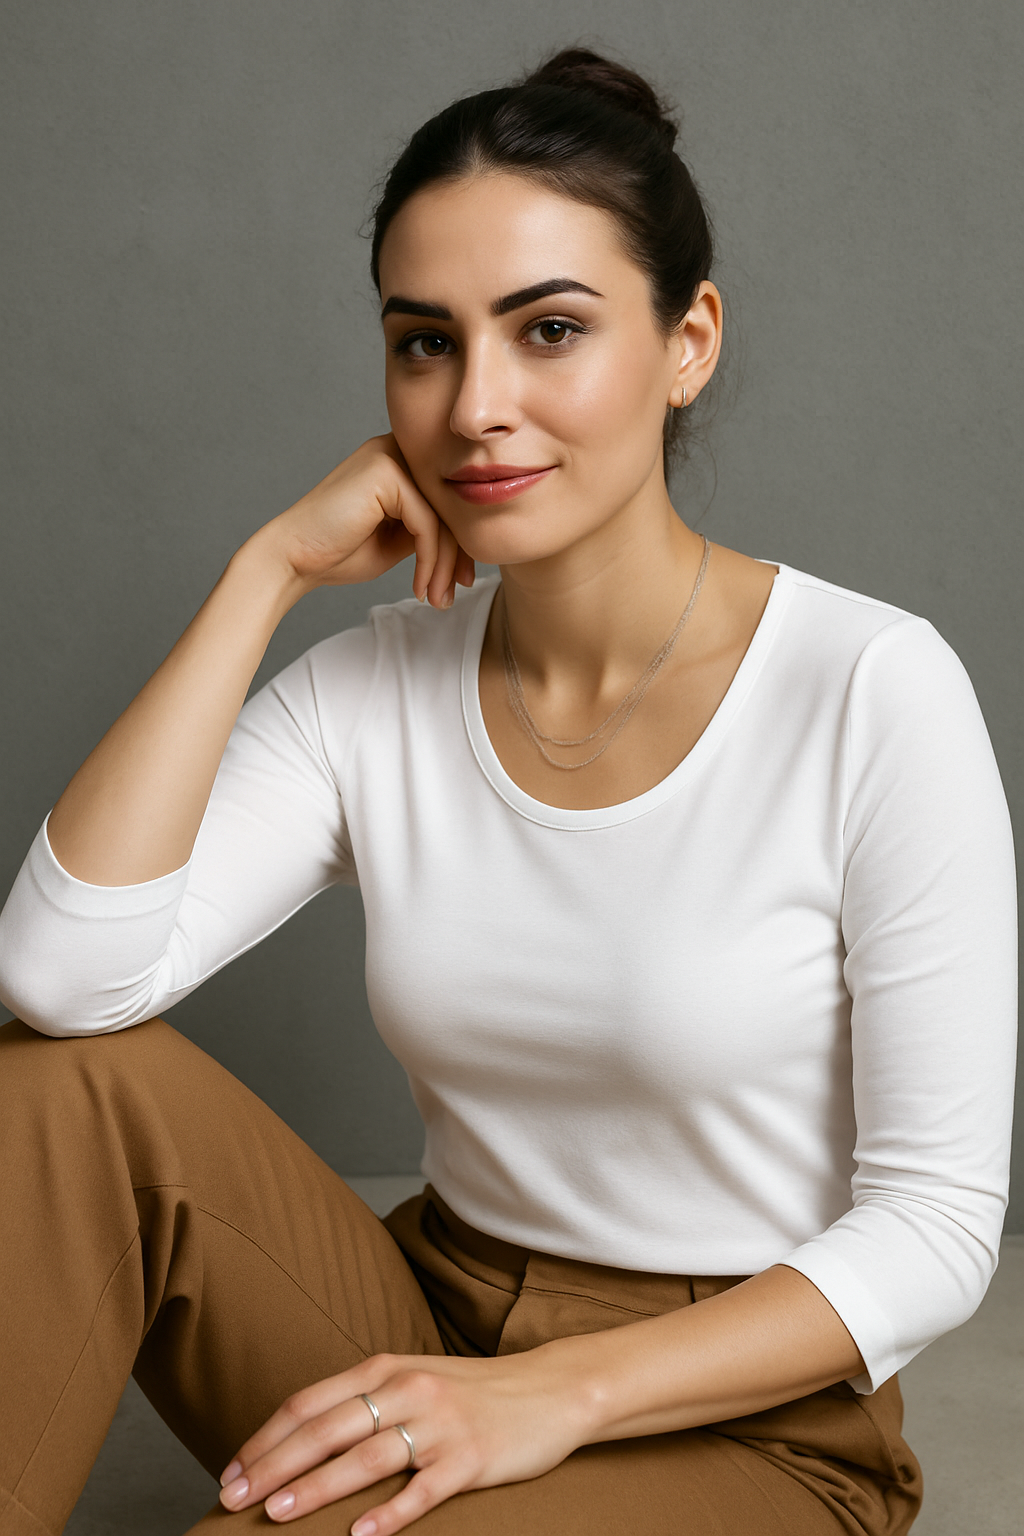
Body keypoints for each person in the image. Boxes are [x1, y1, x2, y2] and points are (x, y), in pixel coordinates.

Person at [0, 46, 1015, 1536]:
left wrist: (560, 1393)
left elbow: (937, 1232)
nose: (477, 405)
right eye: (425, 343)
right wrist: (262, 574)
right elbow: (56, 980)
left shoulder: (871, 687)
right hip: (426, 1324)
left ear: (689, 342)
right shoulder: (378, 686)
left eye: (549, 329)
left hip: (744, 1420)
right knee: (60, 1084)